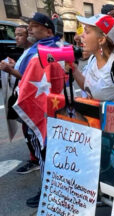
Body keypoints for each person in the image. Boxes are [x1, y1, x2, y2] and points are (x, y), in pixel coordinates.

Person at [12, 12, 61, 208]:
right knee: (42, 149)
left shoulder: (57, 48)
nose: (29, 29)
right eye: (29, 25)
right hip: (38, 105)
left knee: (45, 150)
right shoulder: (36, 48)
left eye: (34, 25)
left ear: (48, 29)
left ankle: (48, 189)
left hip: (46, 109)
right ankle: (49, 187)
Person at [70, 14, 114, 103]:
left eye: (87, 32)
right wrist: (73, 68)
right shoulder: (93, 59)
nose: (82, 35)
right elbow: (88, 88)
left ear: (101, 40)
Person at [0, 25, 39, 175]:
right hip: (24, 96)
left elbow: (30, 79)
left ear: (28, 37)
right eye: (16, 34)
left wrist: (10, 70)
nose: (16, 37)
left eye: (20, 35)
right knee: (27, 130)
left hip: (30, 98)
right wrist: (14, 65)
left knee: (31, 131)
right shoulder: (27, 52)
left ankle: (36, 160)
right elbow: (24, 71)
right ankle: (34, 157)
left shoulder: (33, 53)